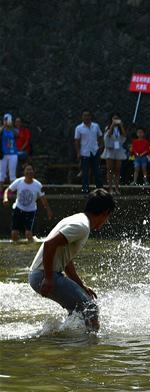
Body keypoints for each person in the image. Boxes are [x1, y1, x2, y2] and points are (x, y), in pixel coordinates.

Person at [27, 189, 116, 331]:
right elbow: (49, 244)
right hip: (43, 275)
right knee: (91, 309)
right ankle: (91, 347)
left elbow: (65, 259)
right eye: (108, 216)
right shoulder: (81, 226)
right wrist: (48, 278)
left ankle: (64, 339)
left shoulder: (78, 220)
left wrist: (81, 285)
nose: (106, 221)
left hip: (42, 274)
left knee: (78, 310)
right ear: (105, 212)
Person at [4, 164, 53, 241]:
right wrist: (5, 198)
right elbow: (7, 190)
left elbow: (43, 199)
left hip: (30, 211)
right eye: (27, 170)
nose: (29, 172)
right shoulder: (18, 181)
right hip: (18, 209)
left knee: (28, 234)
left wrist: (48, 210)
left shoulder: (38, 185)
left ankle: (31, 249)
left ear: (34, 172)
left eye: (31, 170)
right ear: (24, 172)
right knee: (14, 234)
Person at [74, 110, 104, 195]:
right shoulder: (79, 128)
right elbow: (76, 141)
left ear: (91, 116)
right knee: (85, 173)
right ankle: (85, 191)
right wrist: (78, 152)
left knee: (97, 172)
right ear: (82, 117)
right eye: (84, 116)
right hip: (85, 152)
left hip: (95, 151)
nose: (86, 117)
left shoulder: (96, 126)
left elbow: (100, 136)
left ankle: (100, 191)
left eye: (88, 115)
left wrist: (101, 146)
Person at [101, 113, 128, 194]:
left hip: (118, 150)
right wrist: (112, 125)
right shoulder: (108, 127)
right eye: (114, 118)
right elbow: (108, 135)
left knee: (117, 170)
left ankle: (116, 187)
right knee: (110, 170)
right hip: (110, 150)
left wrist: (121, 125)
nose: (116, 120)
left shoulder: (120, 128)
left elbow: (124, 136)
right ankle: (110, 188)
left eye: (117, 118)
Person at [2, 114, 19, 185]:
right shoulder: (1, 130)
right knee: (1, 174)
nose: (7, 121)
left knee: (12, 174)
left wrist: (10, 126)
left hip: (13, 154)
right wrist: (4, 126)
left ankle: (11, 192)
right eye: (5, 120)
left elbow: (17, 135)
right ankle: (0, 191)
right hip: (3, 154)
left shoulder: (14, 130)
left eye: (8, 120)